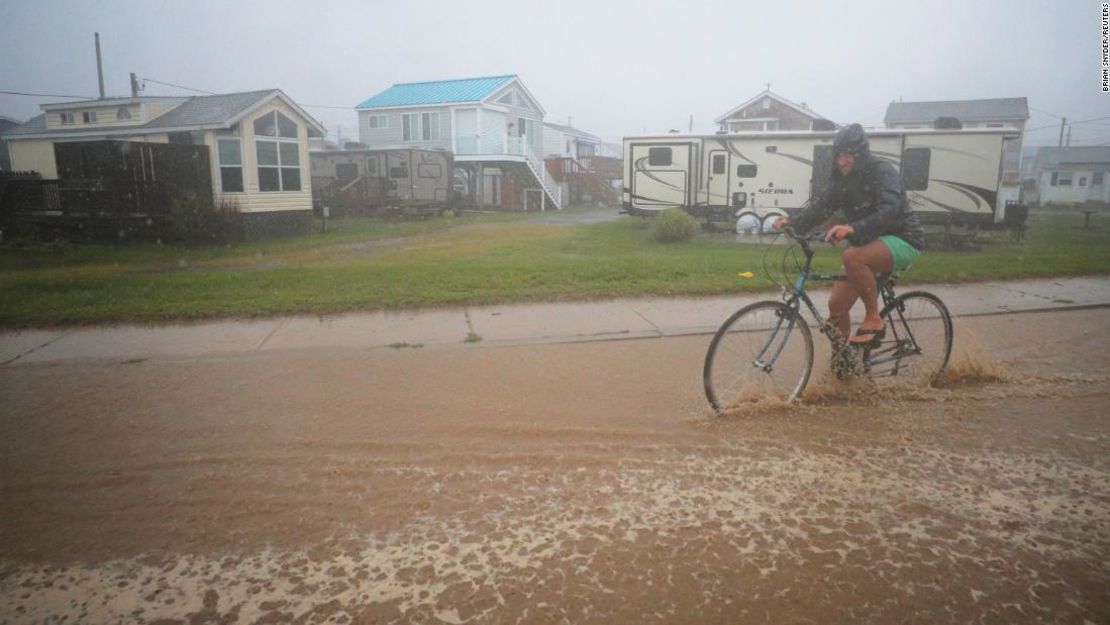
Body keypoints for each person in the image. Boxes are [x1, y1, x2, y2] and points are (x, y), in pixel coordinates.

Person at [773, 123, 925, 346]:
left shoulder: (882, 172)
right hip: (867, 243)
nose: (842, 161)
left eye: (848, 156)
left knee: (852, 256)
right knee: (837, 307)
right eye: (838, 156)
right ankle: (844, 366)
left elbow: (889, 209)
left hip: (903, 238)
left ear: (860, 154)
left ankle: (873, 318)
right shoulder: (841, 180)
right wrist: (792, 221)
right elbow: (821, 208)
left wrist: (853, 229)